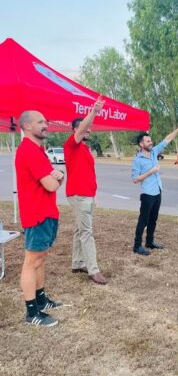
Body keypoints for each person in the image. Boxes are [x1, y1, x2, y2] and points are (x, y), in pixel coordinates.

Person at [15, 110, 64, 327]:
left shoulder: (38, 150)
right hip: (37, 214)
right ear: (26, 126)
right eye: (40, 122)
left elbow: (54, 180)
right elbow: (52, 184)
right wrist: (59, 177)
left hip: (45, 212)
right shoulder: (29, 150)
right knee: (32, 261)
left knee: (40, 258)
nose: (46, 124)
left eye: (46, 120)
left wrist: (58, 176)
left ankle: (41, 298)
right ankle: (31, 311)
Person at [63, 97, 108, 285]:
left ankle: (77, 262)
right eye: (84, 127)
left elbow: (88, 173)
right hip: (78, 194)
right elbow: (82, 129)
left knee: (79, 230)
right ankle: (93, 270)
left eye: (90, 126)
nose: (89, 129)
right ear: (76, 130)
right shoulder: (71, 145)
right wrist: (94, 111)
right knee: (87, 232)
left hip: (86, 194)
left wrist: (94, 194)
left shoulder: (84, 148)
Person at [132, 117, 178, 255]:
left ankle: (149, 241)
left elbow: (167, 139)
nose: (151, 143)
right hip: (147, 194)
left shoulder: (154, 151)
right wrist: (151, 171)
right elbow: (135, 179)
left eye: (151, 141)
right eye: (148, 141)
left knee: (153, 219)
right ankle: (137, 246)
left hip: (157, 192)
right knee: (143, 220)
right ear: (141, 144)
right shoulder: (138, 160)